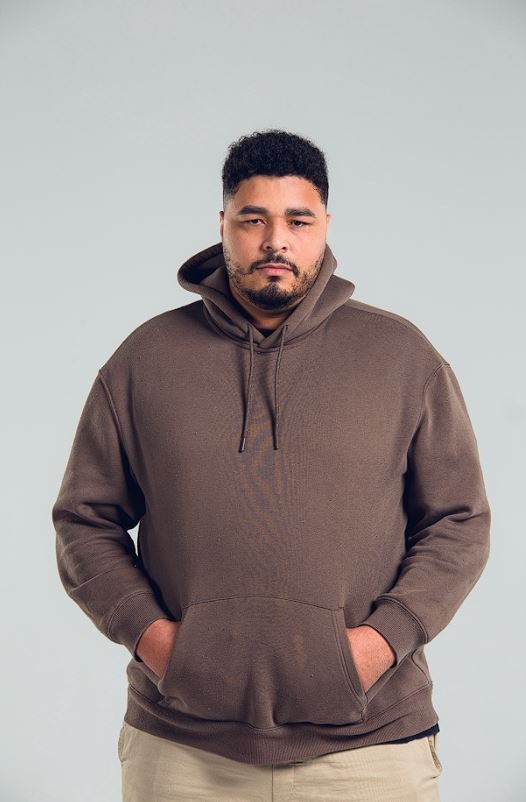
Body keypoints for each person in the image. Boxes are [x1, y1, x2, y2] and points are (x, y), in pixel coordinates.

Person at [52, 129, 491, 801]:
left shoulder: (403, 357)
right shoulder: (144, 359)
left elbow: (459, 521)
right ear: (223, 225)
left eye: (298, 221)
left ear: (325, 227)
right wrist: (158, 643)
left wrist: (380, 644)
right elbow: (84, 521)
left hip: (371, 749)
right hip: (182, 748)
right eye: (253, 220)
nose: (275, 241)